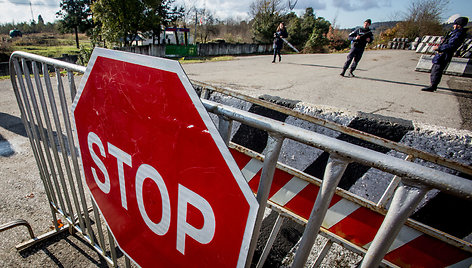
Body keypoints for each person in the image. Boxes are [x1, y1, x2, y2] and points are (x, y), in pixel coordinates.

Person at [422, 17, 469, 92]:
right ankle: (433, 85)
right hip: (442, 54)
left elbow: (451, 45)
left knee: (437, 70)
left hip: (444, 55)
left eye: (455, 24)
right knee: (435, 69)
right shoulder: (454, 33)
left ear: (459, 25)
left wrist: (439, 48)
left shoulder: (458, 34)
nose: (454, 26)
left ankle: (433, 86)